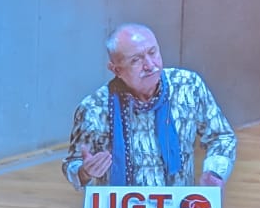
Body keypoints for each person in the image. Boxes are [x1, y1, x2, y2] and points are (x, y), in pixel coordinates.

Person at [61, 24, 237, 189]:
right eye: (136, 60)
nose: (150, 65)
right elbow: (73, 163)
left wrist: (215, 172)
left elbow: (221, 136)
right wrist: (84, 172)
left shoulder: (188, 86)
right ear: (116, 70)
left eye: (153, 53)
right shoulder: (94, 108)